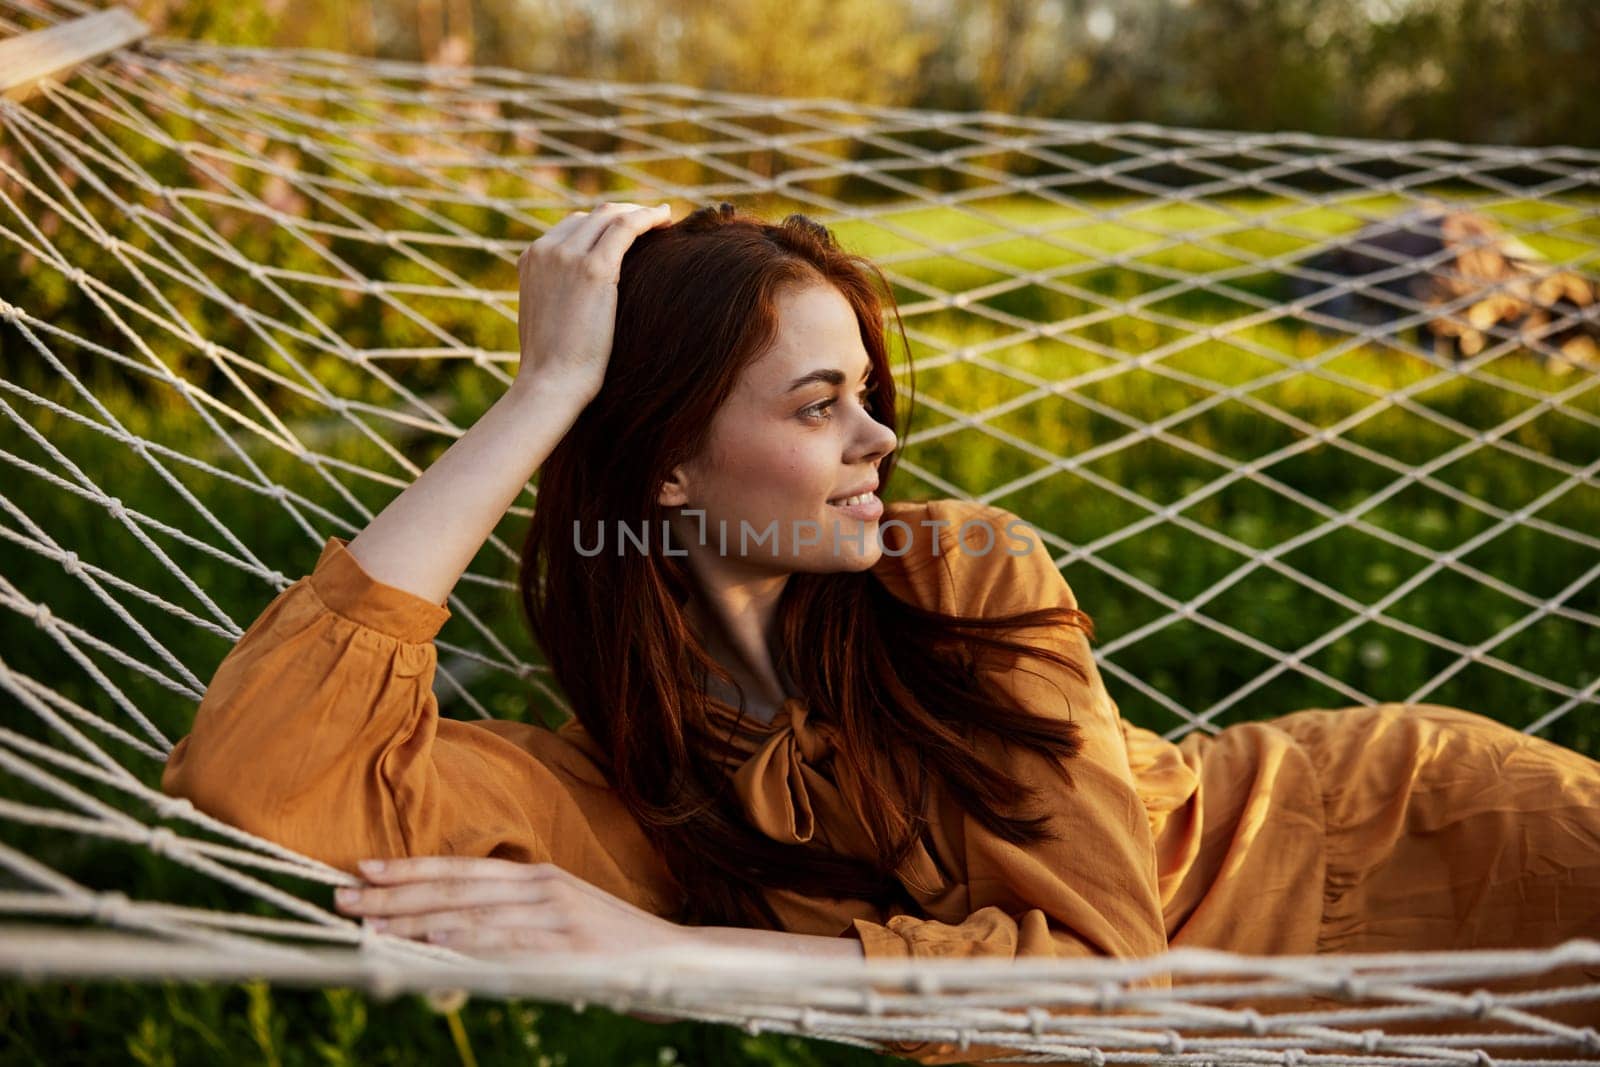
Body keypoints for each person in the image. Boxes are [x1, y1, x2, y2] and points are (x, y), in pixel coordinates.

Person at [162, 201, 1600, 1061]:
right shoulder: (639, 780)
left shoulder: (958, 574)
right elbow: (265, 775)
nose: (880, 434)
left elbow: (1102, 982)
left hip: (1426, 852)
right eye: (815, 404)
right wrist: (543, 398)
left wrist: (656, 955)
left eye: (865, 388)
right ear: (666, 469)